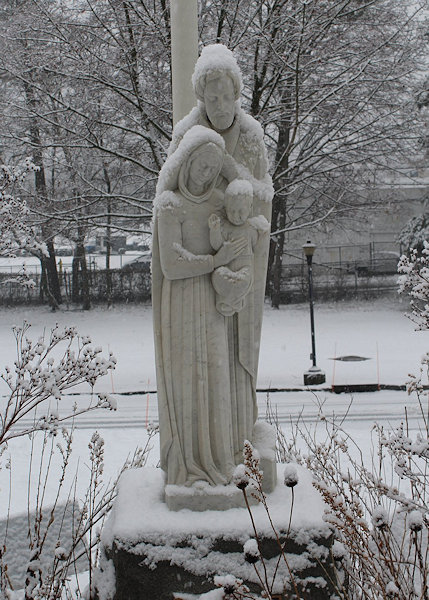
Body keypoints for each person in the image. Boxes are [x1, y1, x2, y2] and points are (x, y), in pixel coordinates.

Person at [169, 44, 273, 465]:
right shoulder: (187, 134)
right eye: (211, 97)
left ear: (236, 94)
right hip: (200, 268)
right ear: (201, 98)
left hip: (241, 258)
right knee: (203, 359)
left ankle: (238, 439)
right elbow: (170, 191)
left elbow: (264, 194)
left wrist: (236, 186)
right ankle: (205, 443)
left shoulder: (250, 136)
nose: (220, 105)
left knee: (236, 353)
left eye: (226, 96)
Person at [152, 125, 248, 486]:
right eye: (201, 165)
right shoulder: (170, 204)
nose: (206, 173)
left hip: (212, 300)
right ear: (187, 161)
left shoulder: (220, 203)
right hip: (180, 303)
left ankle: (219, 458)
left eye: (213, 167)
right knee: (187, 380)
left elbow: (245, 215)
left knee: (216, 376)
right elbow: (172, 265)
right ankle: (189, 462)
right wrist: (214, 260)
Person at [209, 179, 269, 317]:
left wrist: (263, 236)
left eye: (241, 211)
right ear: (226, 210)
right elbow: (217, 245)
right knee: (218, 275)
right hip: (227, 266)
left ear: (250, 208)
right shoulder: (226, 227)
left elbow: (258, 250)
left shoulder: (251, 228)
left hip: (245, 268)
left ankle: (232, 302)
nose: (236, 216)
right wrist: (215, 230)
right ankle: (229, 301)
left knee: (244, 280)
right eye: (232, 211)